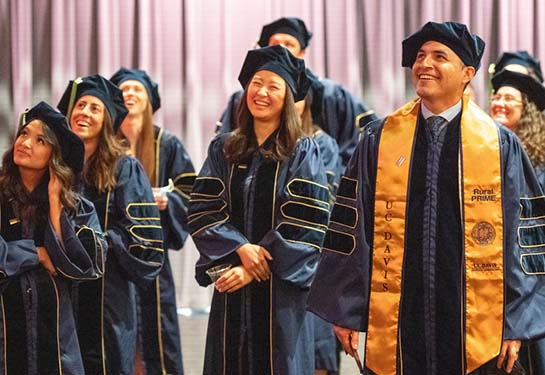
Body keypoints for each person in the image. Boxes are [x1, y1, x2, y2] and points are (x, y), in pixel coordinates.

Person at [307, 21, 545, 375]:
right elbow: (351, 227)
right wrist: (346, 309)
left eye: (439, 56)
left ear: (467, 73)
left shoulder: (498, 146)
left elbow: (523, 239)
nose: (424, 64)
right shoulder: (379, 139)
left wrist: (516, 321)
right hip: (398, 321)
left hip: (476, 324)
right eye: (420, 56)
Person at [189, 45, 330, 375]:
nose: (262, 92)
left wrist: (253, 267)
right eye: (256, 83)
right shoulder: (224, 148)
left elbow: (307, 221)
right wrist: (238, 249)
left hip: (281, 294)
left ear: (288, 98)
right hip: (231, 284)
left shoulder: (301, 151)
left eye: (273, 85)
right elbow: (204, 210)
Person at [57, 74, 164, 375]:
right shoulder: (58, 167)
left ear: (107, 120)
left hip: (108, 294)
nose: (84, 113)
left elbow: (142, 239)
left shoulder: (124, 168)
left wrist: (89, 244)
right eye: (80, 105)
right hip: (60, 293)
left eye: (95, 108)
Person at [0, 101, 107, 374]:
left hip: (56, 332)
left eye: (39, 140)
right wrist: (35, 253)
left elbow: (86, 265)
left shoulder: (77, 206)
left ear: (54, 155)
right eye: (24, 134)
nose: (25, 143)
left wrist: (55, 203)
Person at [110, 67, 196, 375]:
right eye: (123, 90)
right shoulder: (104, 144)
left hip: (152, 262)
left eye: (137, 89)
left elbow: (191, 192)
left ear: (149, 100)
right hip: (111, 259)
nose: (130, 94)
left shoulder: (166, 143)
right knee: (113, 335)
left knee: (159, 338)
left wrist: (167, 201)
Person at [216, 17, 378, 171]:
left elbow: (363, 143)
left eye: (289, 44)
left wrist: (334, 174)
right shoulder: (245, 97)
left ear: (302, 53)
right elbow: (225, 148)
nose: (282, 50)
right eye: (275, 44)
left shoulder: (334, 95)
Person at [490, 67, 545, 374]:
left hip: (535, 283)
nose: (499, 102)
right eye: (496, 96)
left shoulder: (541, 164)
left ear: (527, 112)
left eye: (509, 98)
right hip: (496, 284)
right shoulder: (485, 154)